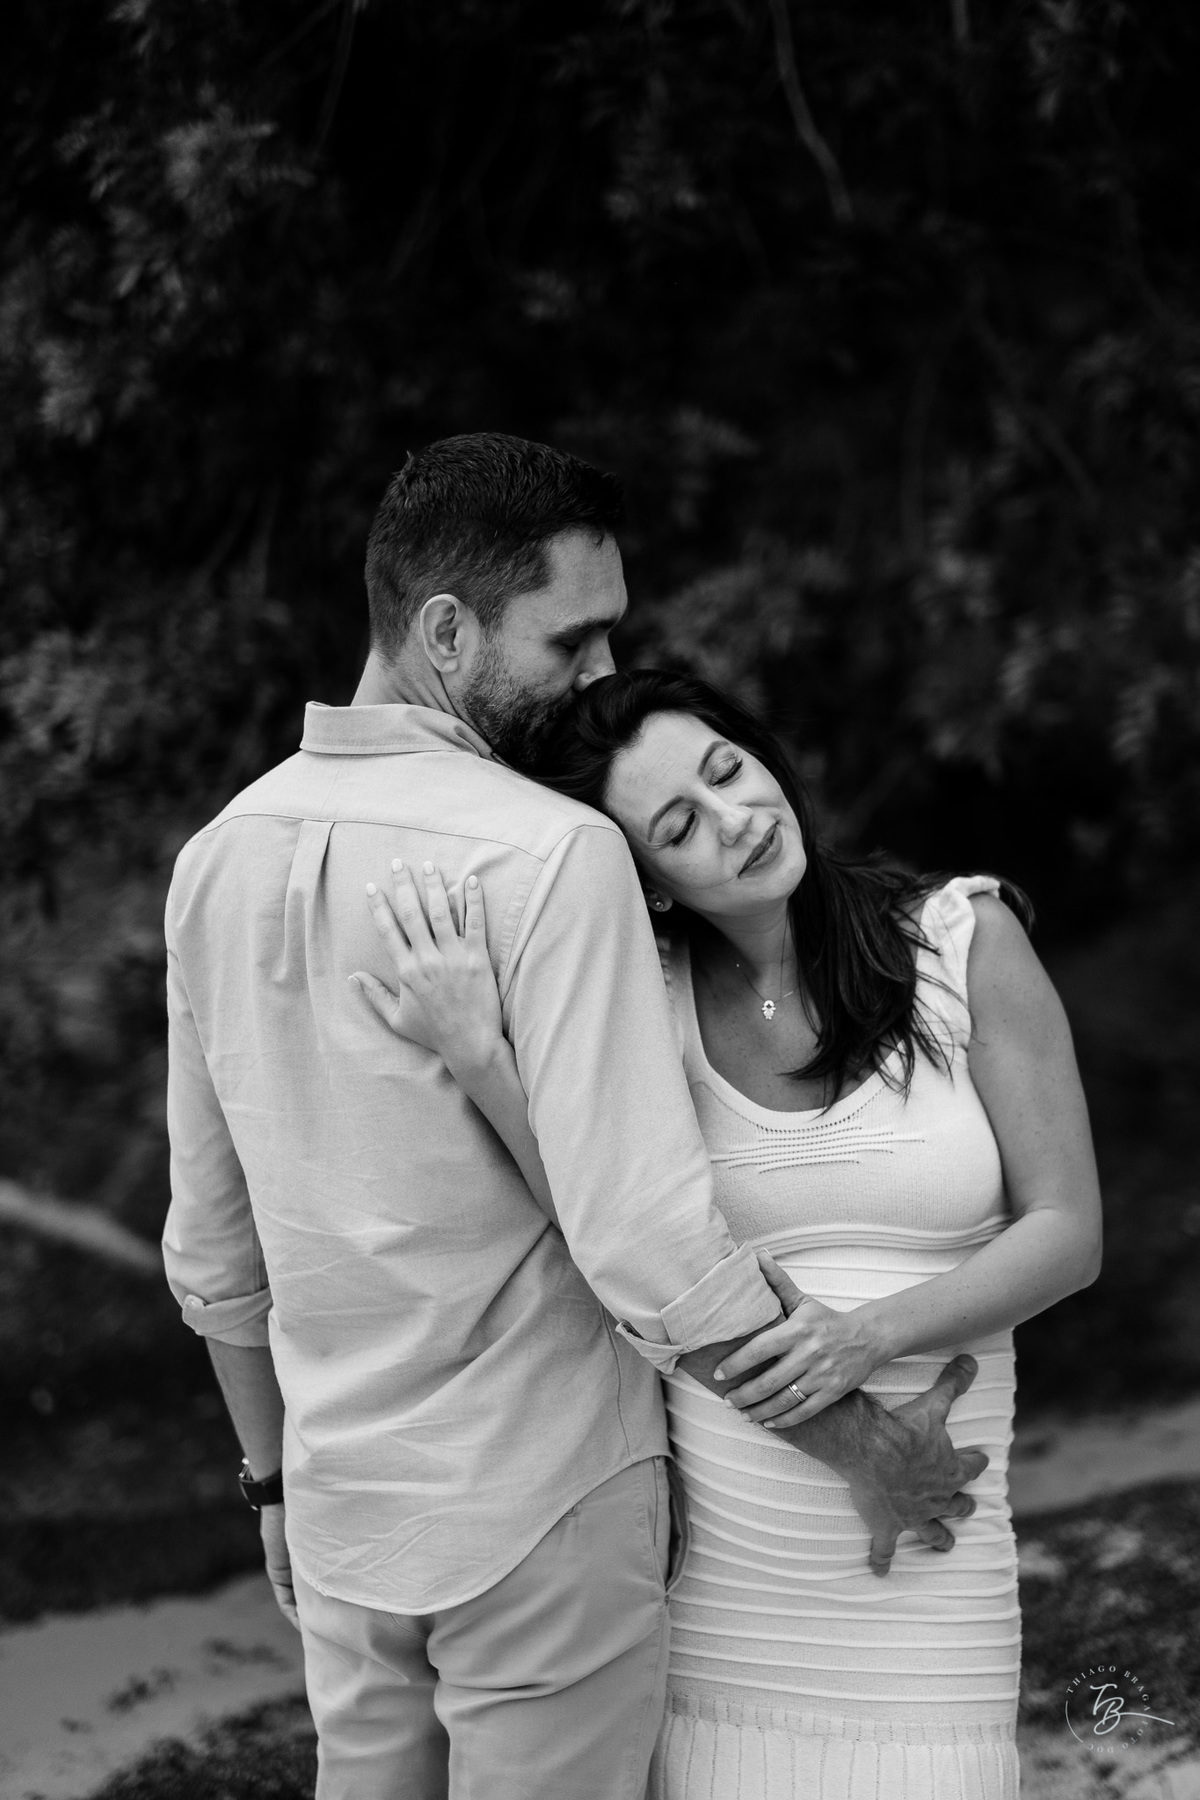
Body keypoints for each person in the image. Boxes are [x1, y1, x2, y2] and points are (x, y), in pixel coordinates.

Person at [163, 433, 991, 1800]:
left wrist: (269, 1486)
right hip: (542, 1511)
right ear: (444, 630)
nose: (601, 677)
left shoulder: (217, 861)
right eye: (573, 641)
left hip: (342, 1516)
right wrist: (867, 1451)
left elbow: (209, 1247)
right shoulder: (550, 852)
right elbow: (646, 1242)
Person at [354, 667, 1103, 1800]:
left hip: (929, 1561)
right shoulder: (639, 1002)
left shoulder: (961, 941)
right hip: (728, 1580)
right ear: (646, 882)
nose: (738, 820)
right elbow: (596, 1218)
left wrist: (866, 1334)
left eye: (728, 770)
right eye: (680, 826)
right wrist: (477, 1054)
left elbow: (1069, 1231)